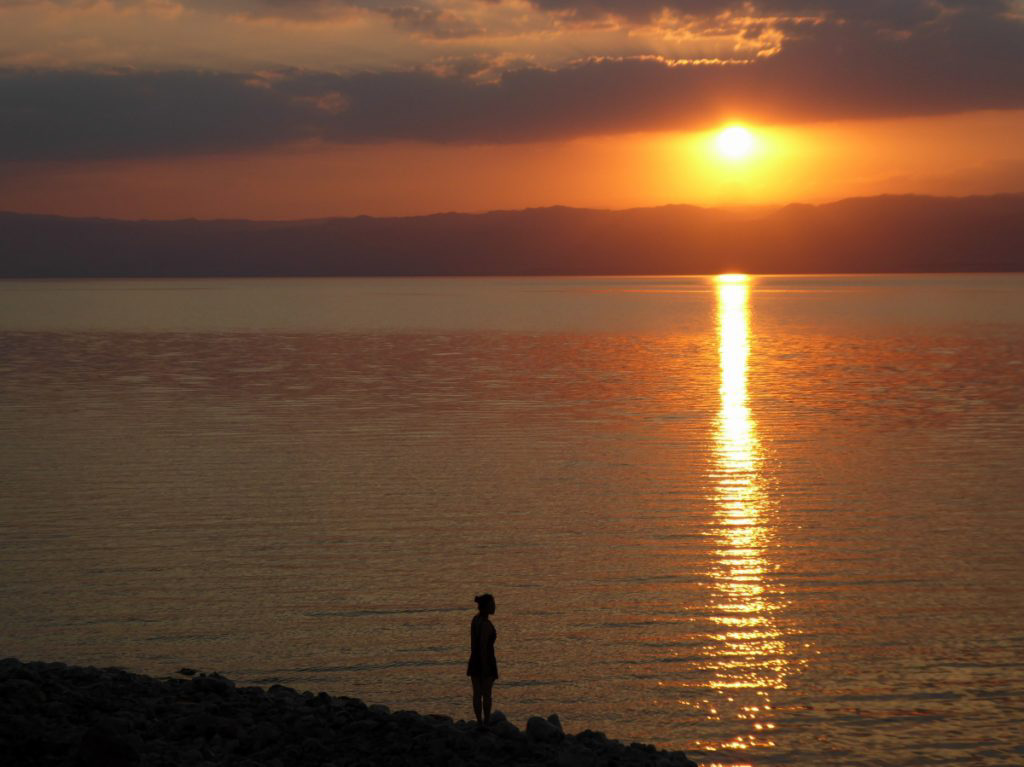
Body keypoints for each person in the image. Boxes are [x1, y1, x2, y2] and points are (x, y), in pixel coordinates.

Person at [466, 593, 497, 727]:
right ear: (486, 607)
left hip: (474, 660)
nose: (494, 606)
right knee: (487, 694)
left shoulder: (475, 620)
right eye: (492, 604)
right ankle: (486, 722)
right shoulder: (485, 624)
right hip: (486, 661)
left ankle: (479, 722)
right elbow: (484, 647)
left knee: (477, 694)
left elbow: (474, 644)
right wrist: (485, 667)